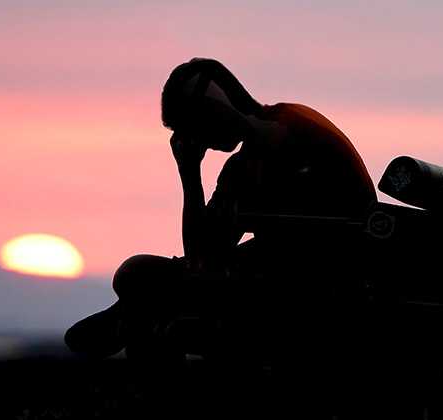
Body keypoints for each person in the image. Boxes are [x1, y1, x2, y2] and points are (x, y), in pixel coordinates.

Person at [65, 58, 377, 359]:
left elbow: (294, 248)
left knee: (138, 280)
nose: (201, 142)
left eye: (193, 128)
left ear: (215, 106)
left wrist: (192, 179)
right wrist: (190, 174)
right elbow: (204, 253)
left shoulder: (290, 144)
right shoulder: (270, 141)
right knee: (139, 280)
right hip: (285, 279)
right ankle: (130, 313)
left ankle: (130, 323)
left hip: (302, 291)